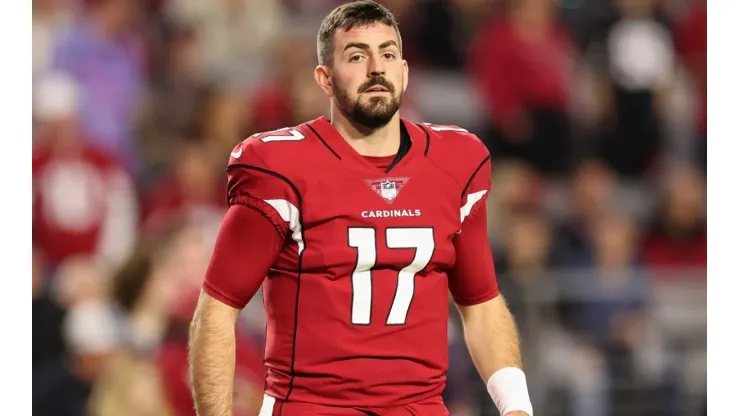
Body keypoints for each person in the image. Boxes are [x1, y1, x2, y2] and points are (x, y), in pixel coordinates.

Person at [188, 2, 533, 415]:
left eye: (387, 54)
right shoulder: (280, 166)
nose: (376, 68)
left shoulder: (455, 161)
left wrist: (517, 408)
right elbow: (218, 308)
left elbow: (480, 303)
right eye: (356, 55)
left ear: (404, 71)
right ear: (325, 79)